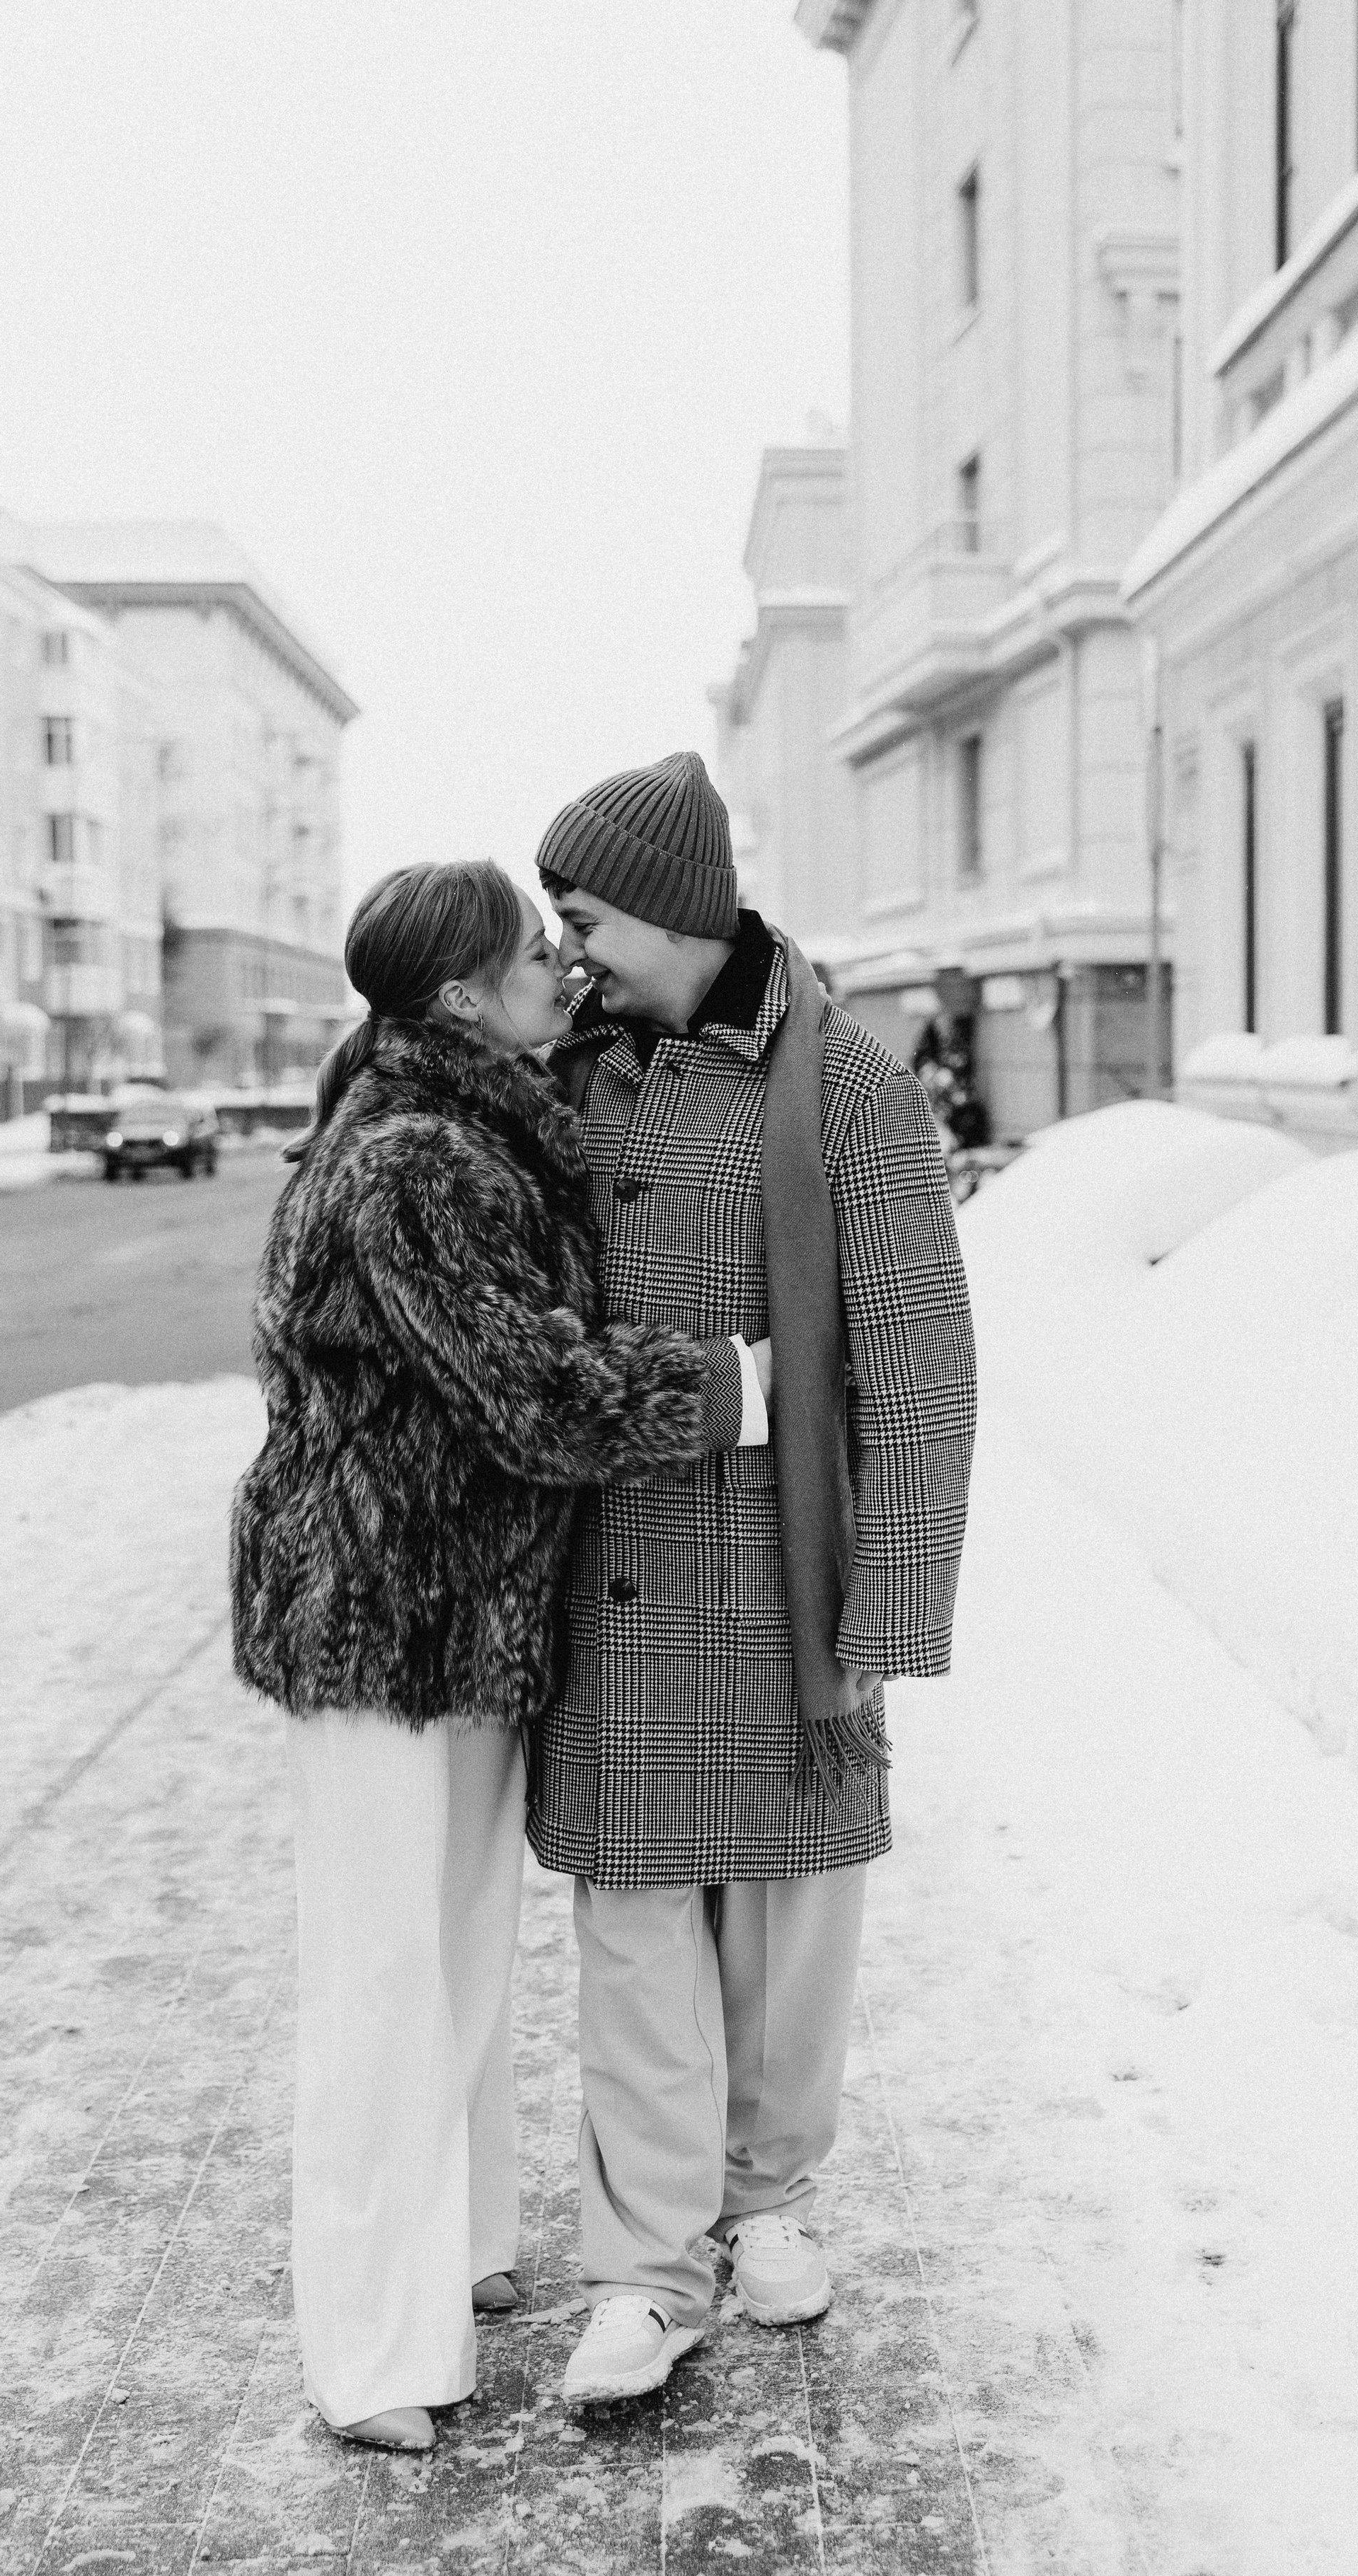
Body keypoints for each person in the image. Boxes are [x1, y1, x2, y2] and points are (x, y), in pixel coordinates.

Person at [229, 858, 771, 2456]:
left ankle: (453, 2256)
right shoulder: (413, 1156)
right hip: (378, 1617)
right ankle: (368, 2352)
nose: (561, 967)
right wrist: (731, 1388)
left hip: (454, 1617)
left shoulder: (470, 1126)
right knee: (383, 1981)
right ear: (464, 996)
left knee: (456, 1949)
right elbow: (529, 1391)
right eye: (535, 952)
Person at [530, 749, 977, 2408]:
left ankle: (768, 2197)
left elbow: (918, 1355)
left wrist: (893, 1597)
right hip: (611, 1566)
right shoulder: (560, 1079)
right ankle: (643, 2271)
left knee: (790, 1921)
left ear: (665, 909)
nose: (564, 947)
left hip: (784, 1565)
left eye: (583, 914)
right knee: (635, 1923)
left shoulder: (843, 1081)